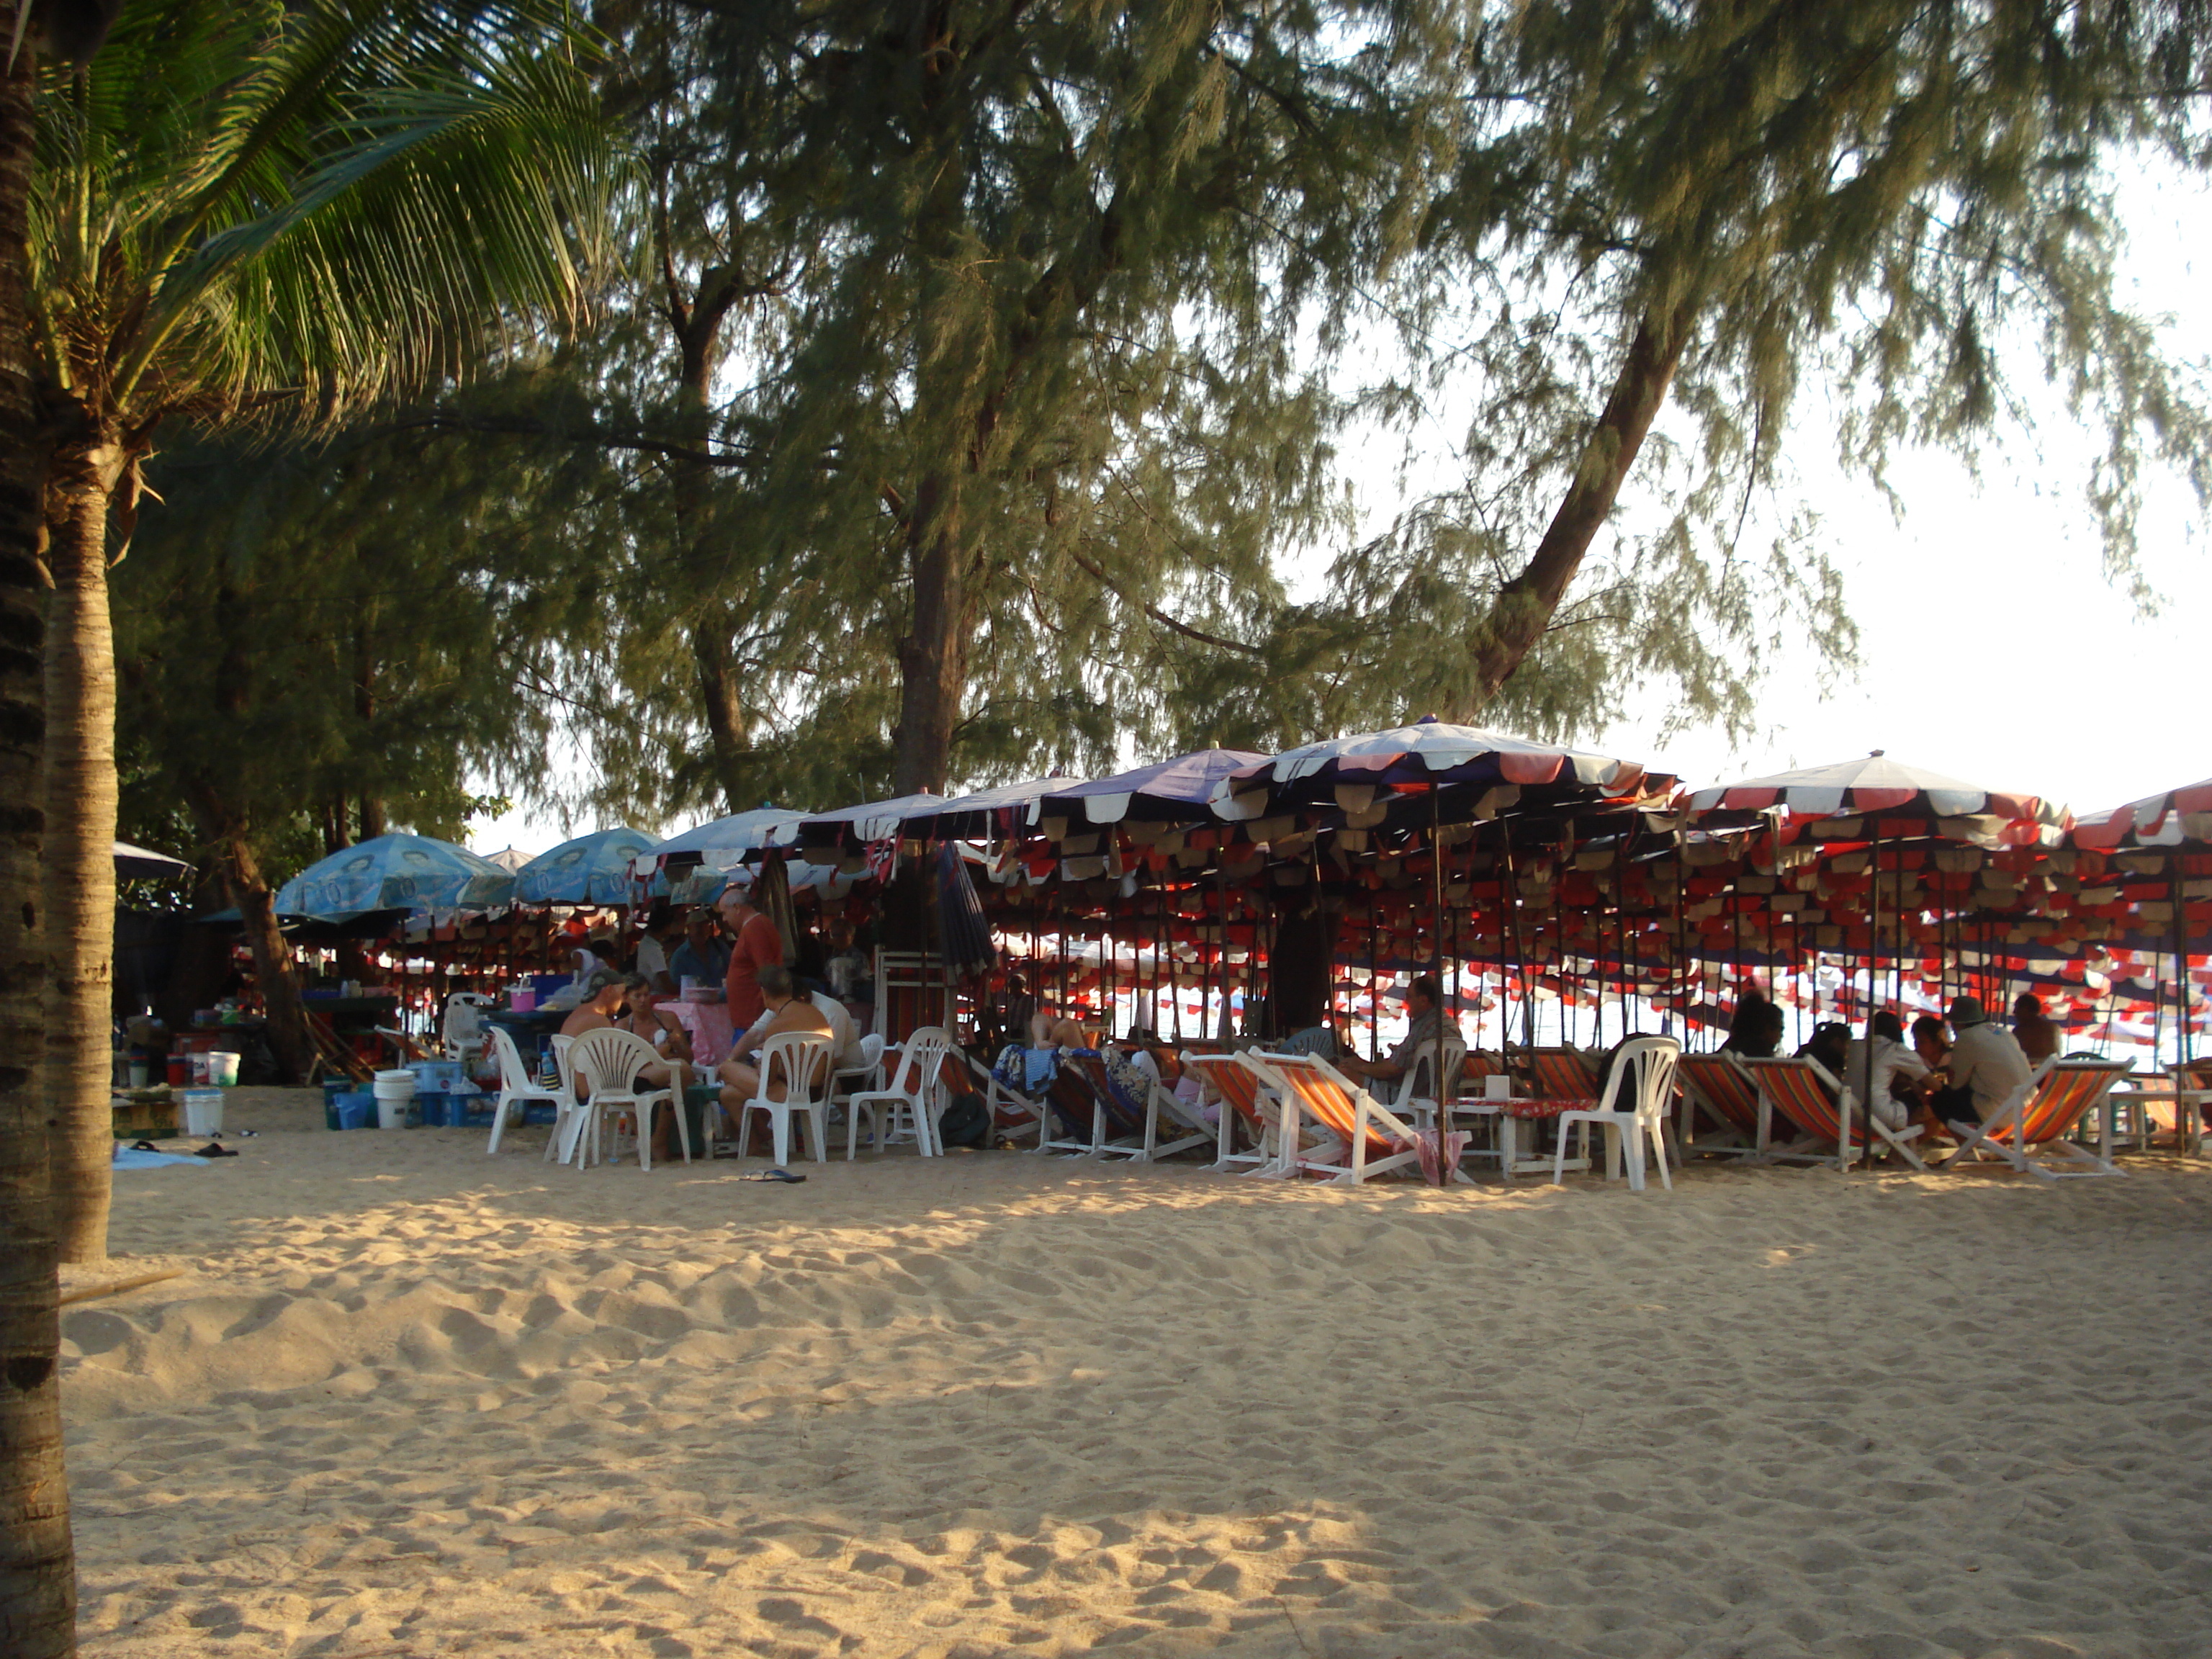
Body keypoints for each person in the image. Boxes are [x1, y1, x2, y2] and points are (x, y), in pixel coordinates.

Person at [716, 964, 833, 1129]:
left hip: (787, 1093)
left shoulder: (777, 1024)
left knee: (726, 1068)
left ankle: (765, 1138)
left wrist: (758, 1064)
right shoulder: (815, 1013)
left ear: (764, 993)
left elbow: (769, 1079)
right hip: (815, 1092)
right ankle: (755, 1147)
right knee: (728, 1094)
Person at [1338, 976, 1446, 1100]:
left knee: (1342, 1074)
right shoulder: (1446, 1023)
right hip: (1437, 1093)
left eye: (1409, 997)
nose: (1406, 1001)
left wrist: (1359, 1067)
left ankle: (1347, 1119)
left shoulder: (1424, 1027)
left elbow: (1391, 1070)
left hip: (1408, 1094)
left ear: (1423, 1001)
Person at [1942, 996, 2030, 1135]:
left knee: (1942, 1099)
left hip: (2003, 1112)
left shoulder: (1966, 1037)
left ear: (1957, 1023)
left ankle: (1968, 1148)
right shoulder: (2005, 1033)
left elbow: (1955, 1084)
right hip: (2030, 1110)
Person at [716, 879, 785, 1030]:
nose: (725, 919)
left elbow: (768, 973)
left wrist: (766, 1014)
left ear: (736, 908)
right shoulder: (752, 927)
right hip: (749, 1018)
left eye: (724, 913)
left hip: (754, 1019)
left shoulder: (756, 927)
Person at [1862, 1010, 1930, 1130]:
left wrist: (1910, 1083)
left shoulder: (1856, 1046)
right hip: (1877, 1115)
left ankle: (1901, 1143)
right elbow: (1934, 1085)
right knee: (1929, 1106)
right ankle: (1902, 1143)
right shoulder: (1894, 1049)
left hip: (1848, 1113)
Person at [669, 907, 732, 989]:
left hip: (722, 998)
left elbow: (733, 967)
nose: (703, 929)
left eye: (705, 925)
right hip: (695, 1000)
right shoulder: (680, 955)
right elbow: (676, 985)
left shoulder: (720, 947)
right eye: (698, 925)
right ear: (689, 928)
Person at [1721, 989, 1786, 1058]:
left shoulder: (1732, 1045)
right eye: (1781, 1029)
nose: (1782, 1035)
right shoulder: (1760, 1051)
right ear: (1767, 1028)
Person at [634, 912, 678, 997]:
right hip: (656, 996)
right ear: (666, 927)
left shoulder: (646, 943)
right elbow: (667, 984)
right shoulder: (653, 949)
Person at [2012, 993, 2060, 1066]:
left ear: (2026, 1009)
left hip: (2032, 1073)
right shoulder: (2053, 1027)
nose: (2014, 1012)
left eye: (2017, 1008)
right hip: (2052, 1072)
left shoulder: (2021, 1031)